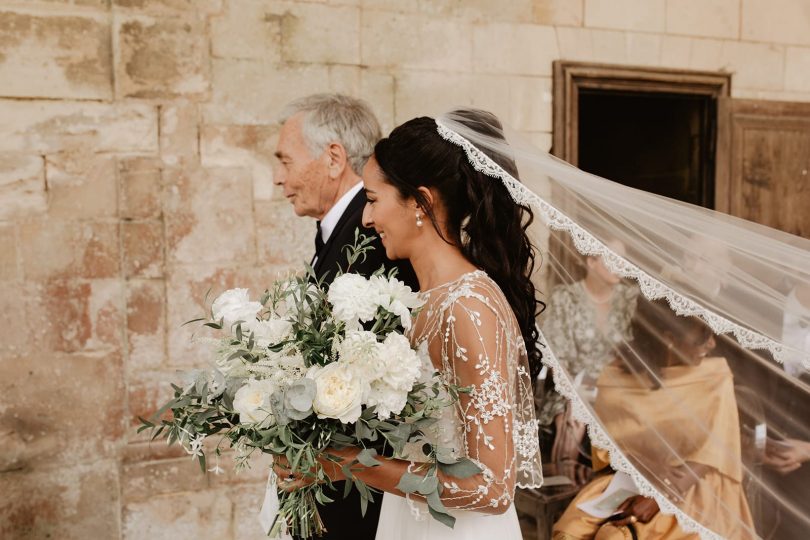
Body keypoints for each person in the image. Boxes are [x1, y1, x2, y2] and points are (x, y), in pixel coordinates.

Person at [276, 109, 544, 539]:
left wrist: (348, 464)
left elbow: (492, 488)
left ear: (420, 202)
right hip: (408, 520)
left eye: (374, 200)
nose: (366, 220)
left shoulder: (469, 307)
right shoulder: (418, 300)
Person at [273, 93, 417, 540]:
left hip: (357, 499)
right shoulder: (337, 229)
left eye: (285, 161)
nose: (279, 179)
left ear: (333, 157)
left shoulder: (374, 234)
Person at [552, 297, 755, 539]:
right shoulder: (614, 378)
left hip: (693, 487)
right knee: (571, 533)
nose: (711, 344)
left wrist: (659, 497)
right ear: (669, 339)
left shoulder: (716, 376)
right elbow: (610, 451)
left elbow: (712, 454)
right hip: (629, 479)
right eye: (702, 338)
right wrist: (641, 472)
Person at [538, 247, 638, 484]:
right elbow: (556, 357)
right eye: (613, 257)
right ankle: (564, 489)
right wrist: (575, 393)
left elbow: (635, 353)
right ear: (591, 261)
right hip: (572, 384)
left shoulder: (630, 299)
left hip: (617, 386)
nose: (621, 265)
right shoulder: (566, 297)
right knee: (571, 419)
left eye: (624, 258)